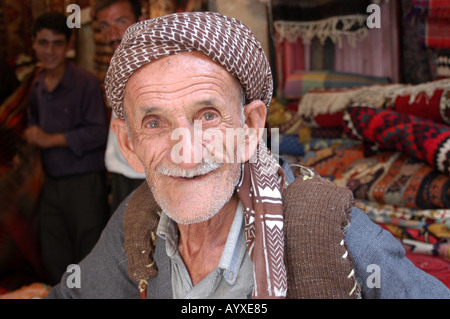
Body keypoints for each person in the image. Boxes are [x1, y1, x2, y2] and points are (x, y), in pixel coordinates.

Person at [46, 12, 450, 299]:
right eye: (155, 123)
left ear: (251, 126)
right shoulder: (138, 221)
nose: (186, 154)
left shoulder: (324, 225)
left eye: (207, 116)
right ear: (128, 143)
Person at [24, 12, 109, 285]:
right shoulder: (35, 85)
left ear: (68, 45)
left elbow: (98, 133)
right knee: (53, 253)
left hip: (84, 183)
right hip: (52, 183)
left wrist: (50, 139)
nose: (50, 51)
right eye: (43, 43)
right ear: (34, 45)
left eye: (57, 43)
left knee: (89, 254)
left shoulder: (84, 83)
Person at [94, 0, 146, 214]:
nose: (113, 34)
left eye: (120, 22)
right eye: (105, 26)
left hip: (143, 179)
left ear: (140, 22)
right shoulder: (120, 64)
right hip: (123, 176)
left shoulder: (151, 66)